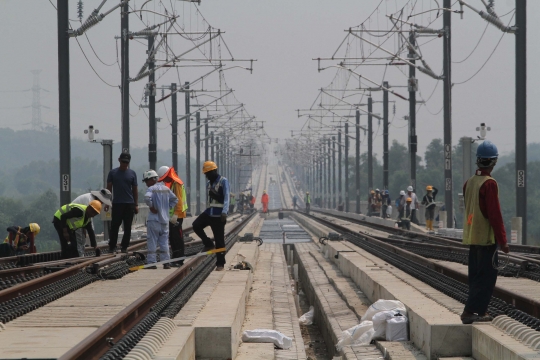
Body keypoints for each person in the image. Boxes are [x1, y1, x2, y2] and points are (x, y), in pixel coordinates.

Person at [460, 140, 509, 325]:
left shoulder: (469, 183)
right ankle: (471, 312)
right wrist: (503, 241)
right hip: (487, 239)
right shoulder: (489, 184)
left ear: (478, 161)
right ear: (494, 162)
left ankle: (479, 310)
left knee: (476, 276)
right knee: (486, 278)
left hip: (472, 237)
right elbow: (494, 215)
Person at [192, 161, 230, 271]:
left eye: (208, 173)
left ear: (214, 171)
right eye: (206, 174)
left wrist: (224, 212)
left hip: (219, 215)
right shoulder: (209, 184)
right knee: (196, 225)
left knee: (219, 240)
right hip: (209, 213)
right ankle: (208, 243)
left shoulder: (223, 181)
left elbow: (226, 197)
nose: (207, 176)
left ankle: (220, 263)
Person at [143, 170, 178, 269]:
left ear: (152, 179)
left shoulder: (151, 189)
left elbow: (146, 198)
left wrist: (151, 206)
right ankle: (166, 262)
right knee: (164, 242)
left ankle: (152, 263)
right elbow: (175, 200)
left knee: (152, 241)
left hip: (154, 220)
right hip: (165, 220)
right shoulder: (166, 189)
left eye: (146, 180)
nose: (146, 183)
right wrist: (167, 207)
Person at [107, 152, 138, 253]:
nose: (125, 164)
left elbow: (135, 190)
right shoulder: (112, 173)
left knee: (127, 226)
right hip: (117, 203)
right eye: (123, 162)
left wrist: (136, 204)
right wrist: (107, 202)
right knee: (115, 226)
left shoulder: (132, 174)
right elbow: (109, 189)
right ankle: (112, 246)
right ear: (119, 160)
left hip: (129, 204)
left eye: (127, 162)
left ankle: (124, 246)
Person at [157, 166, 188, 267]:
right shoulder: (173, 183)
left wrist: (175, 215)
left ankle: (179, 259)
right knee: (172, 238)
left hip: (177, 216)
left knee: (177, 238)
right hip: (173, 216)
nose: (165, 180)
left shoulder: (177, 183)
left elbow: (178, 200)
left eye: (165, 178)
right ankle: (175, 258)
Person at [72, 188, 112, 256]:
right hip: (74, 218)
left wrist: (94, 245)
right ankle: (80, 259)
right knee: (80, 241)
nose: (101, 203)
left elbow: (87, 221)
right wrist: (95, 245)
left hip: (78, 219)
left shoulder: (91, 198)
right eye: (102, 202)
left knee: (82, 241)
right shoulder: (89, 200)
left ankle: (80, 256)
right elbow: (89, 222)